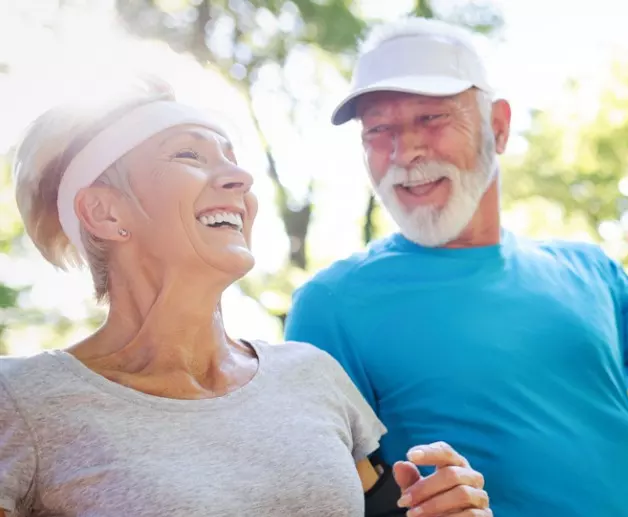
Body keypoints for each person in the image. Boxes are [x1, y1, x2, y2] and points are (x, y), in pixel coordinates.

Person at [284, 17, 628, 517]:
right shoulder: (331, 305)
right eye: (378, 130)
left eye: (431, 118)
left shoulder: (591, 272)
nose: (405, 152)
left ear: (498, 126)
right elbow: (315, 499)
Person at [0, 77, 493, 517]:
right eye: (189, 155)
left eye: (232, 160)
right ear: (106, 213)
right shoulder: (23, 401)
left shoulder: (311, 374)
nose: (242, 179)